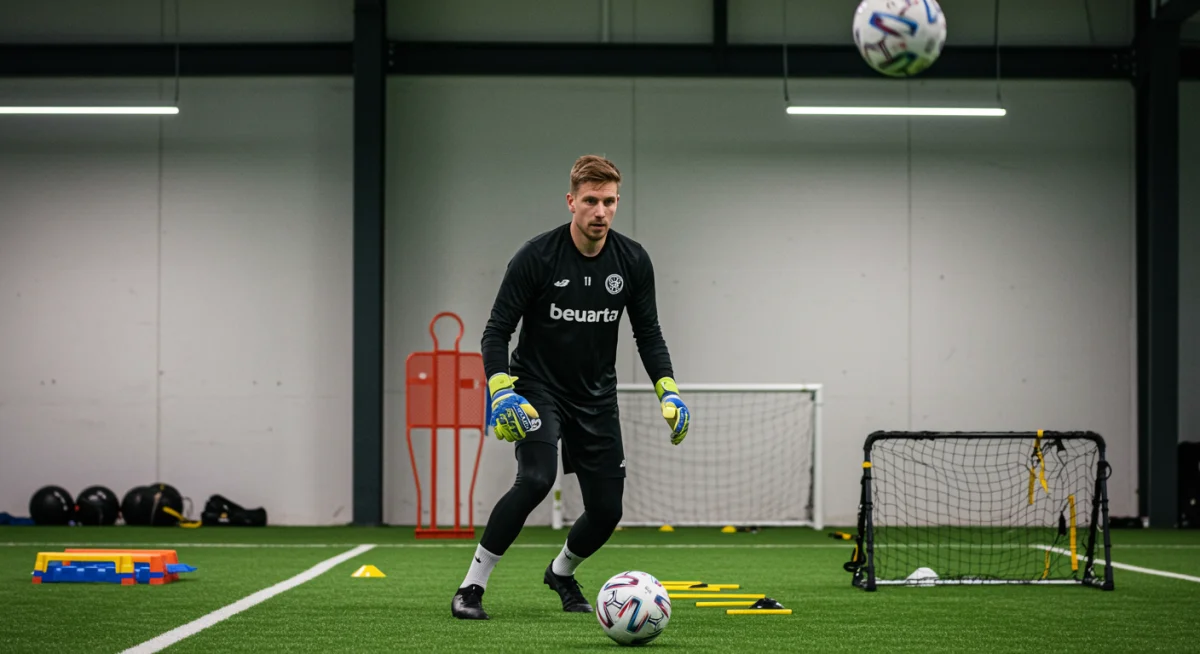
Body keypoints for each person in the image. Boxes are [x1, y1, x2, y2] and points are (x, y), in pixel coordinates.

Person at [450, 154, 691, 620]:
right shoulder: (536, 256)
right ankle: (471, 587)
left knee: (607, 511)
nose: (601, 211)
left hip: (596, 396)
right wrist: (501, 390)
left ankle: (560, 572)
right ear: (571, 201)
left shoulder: (633, 260)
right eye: (591, 201)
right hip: (536, 388)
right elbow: (496, 331)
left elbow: (649, 334)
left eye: (610, 201)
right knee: (536, 479)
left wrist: (669, 390)